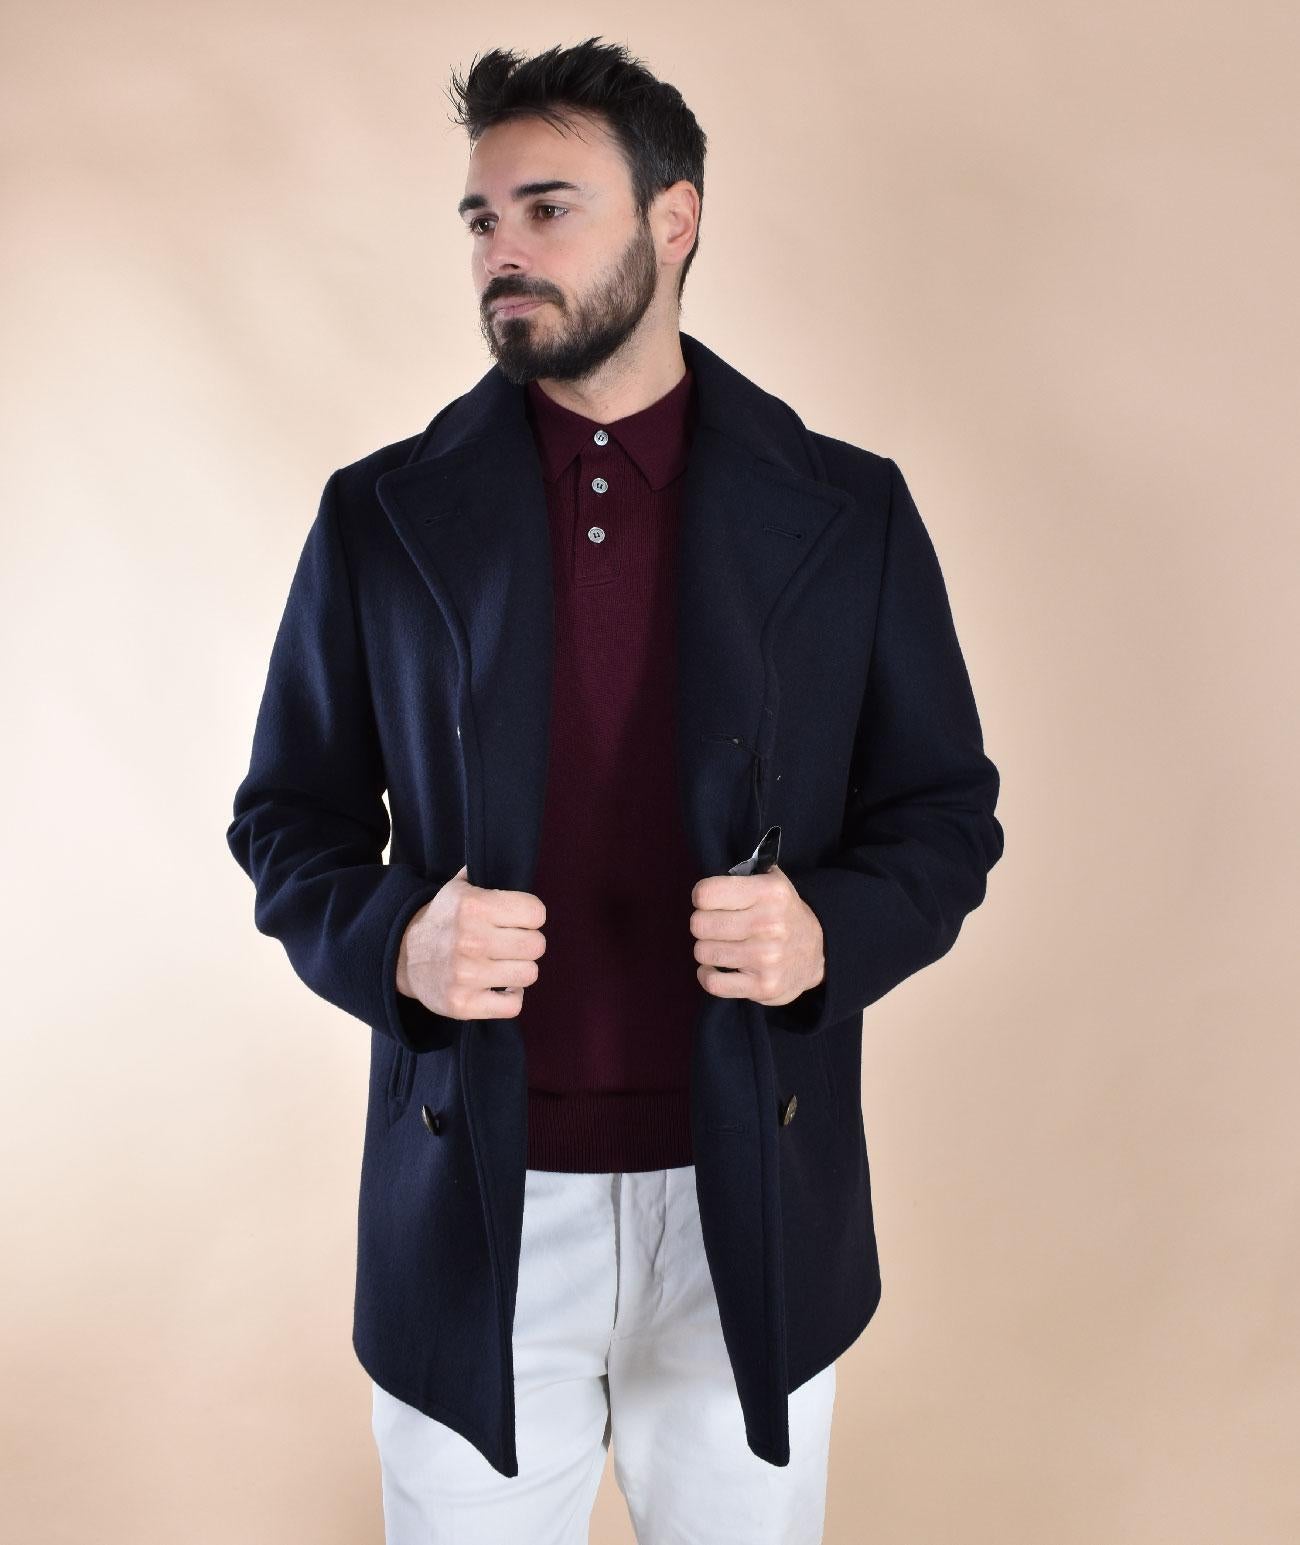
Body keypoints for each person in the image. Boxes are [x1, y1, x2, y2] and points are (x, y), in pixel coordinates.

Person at [226, 34, 1004, 1545]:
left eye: (548, 209)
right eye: (481, 218)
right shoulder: (379, 514)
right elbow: (288, 820)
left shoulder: (850, 509)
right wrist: (398, 941)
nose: (500, 252)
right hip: (474, 1203)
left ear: (674, 219)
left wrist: (828, 932)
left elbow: (944, 811)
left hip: (752, 1199)